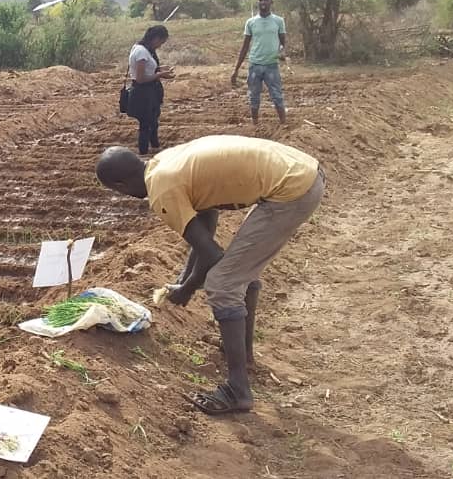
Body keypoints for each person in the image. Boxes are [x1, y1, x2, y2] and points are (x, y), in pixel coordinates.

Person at [96, 135, 325, 415]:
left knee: (223, 282)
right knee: (239, 273)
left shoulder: (161, 190)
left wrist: (189, 287)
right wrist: (185, 278)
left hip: (291, 190)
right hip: (300, 171)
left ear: (120, 186)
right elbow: (206, 224)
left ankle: (238, 390)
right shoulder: (163, 163)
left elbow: (211, 252)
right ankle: (244, 354)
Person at [232, 0, 288, 125]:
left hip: (271, 65)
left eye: (266, 0)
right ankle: (255, 125)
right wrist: (236, 69)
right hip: (255, 65)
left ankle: (284, 124)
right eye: (261, 0)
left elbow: (283, 42)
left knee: (277, 96)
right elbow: (245, 46)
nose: (263, 2)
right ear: (258, 2)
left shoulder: (278, 21)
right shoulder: (250, 22)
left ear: (271, 2)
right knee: (254, 97)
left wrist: (282, 52)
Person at [127, 25, 176, 155]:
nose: (160, 45)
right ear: (155, 38)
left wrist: (160, 69)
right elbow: (141, 78)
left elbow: (149, 69)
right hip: (143, 93)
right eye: (161, 42)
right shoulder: (141, 52)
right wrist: (160, 75)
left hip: (150, 92)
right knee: (146, 124)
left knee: (153, 121)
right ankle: (143, 152)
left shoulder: (144, 49)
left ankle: (154, 147)